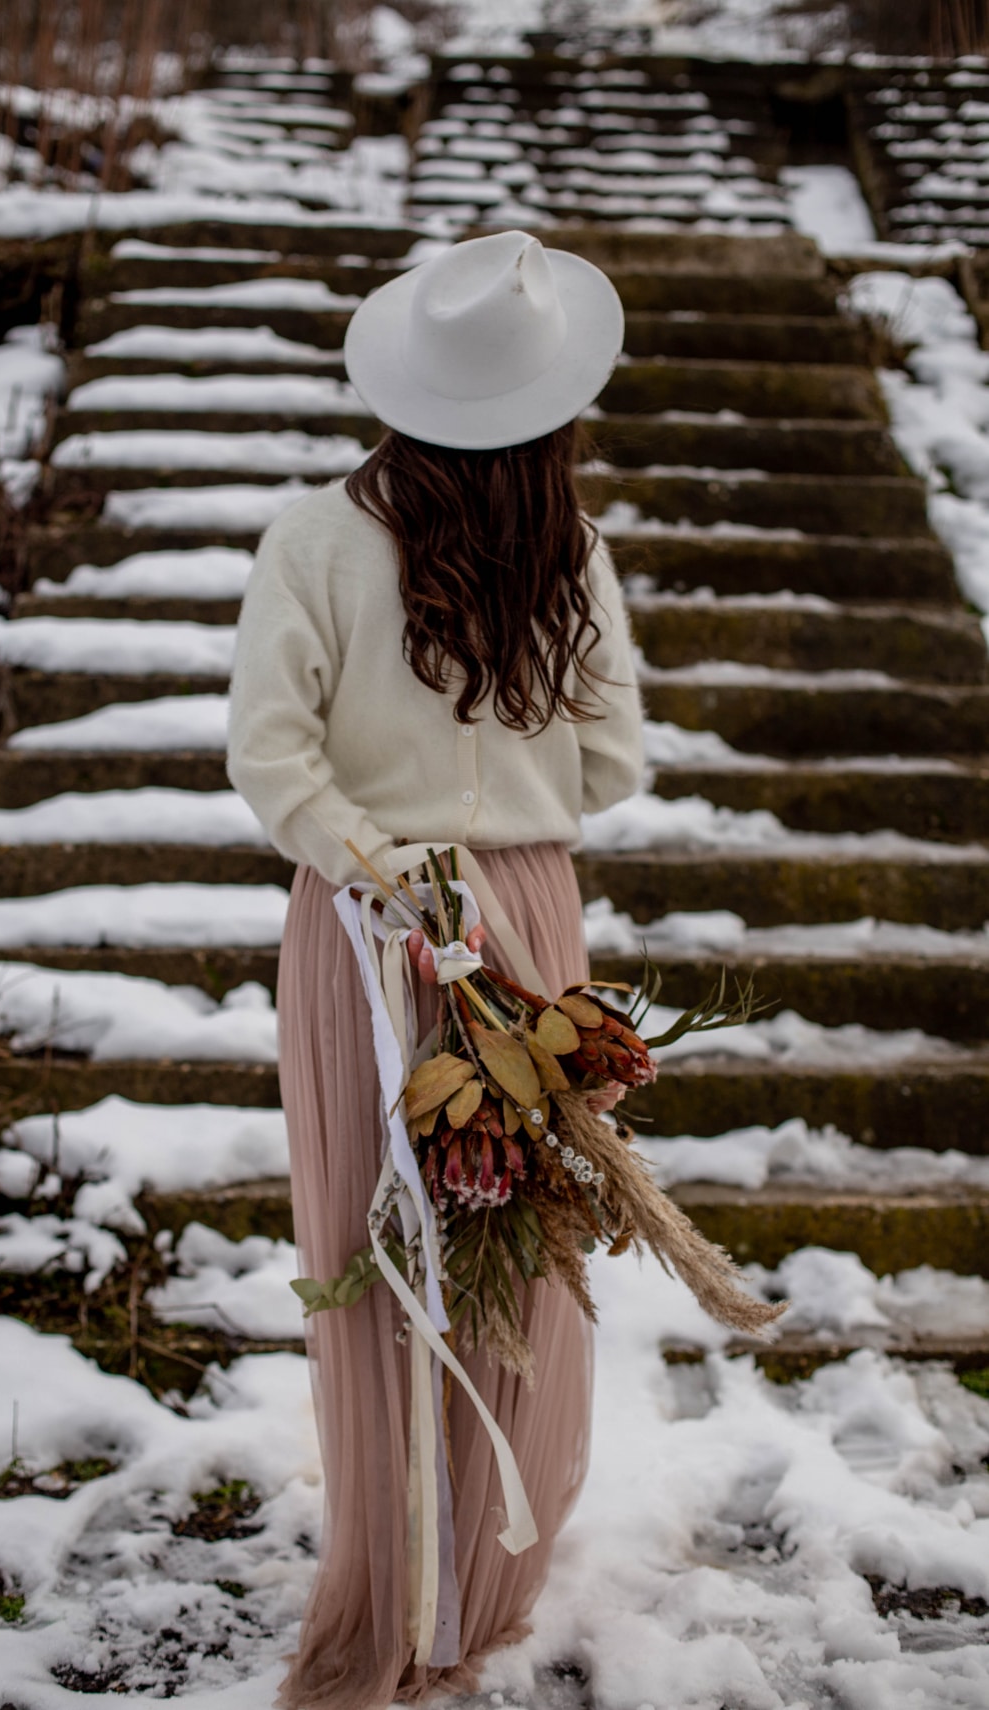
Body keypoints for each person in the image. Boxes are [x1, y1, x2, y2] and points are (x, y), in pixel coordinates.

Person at [228, 229, 645, 1710]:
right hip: (521, 915)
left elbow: (268, 753)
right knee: (515, 1235)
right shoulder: (568, 548)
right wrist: (498, 800)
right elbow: (613, 762)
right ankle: (477, 1572)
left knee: (380, 1234)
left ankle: (400, 1572)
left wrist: (379, 849)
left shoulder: (313, 539)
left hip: (362, 916)